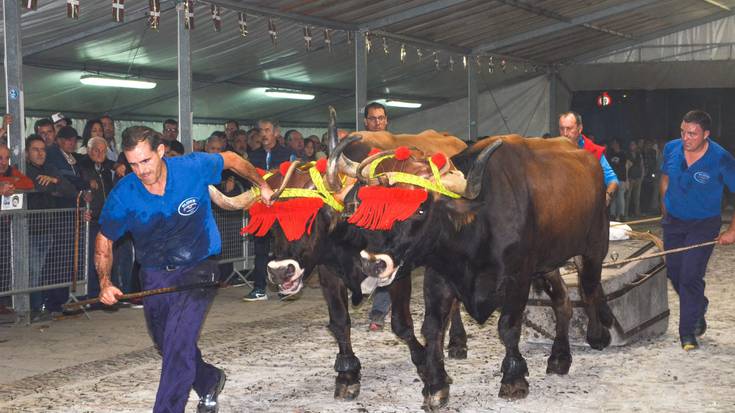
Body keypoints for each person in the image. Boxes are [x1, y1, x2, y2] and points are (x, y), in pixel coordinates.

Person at [96, 126, 274, 412]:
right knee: (167, 344)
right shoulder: (124, 194)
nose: (141, 170)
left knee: (178, 345)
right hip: (153, 273)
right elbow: (104, 239)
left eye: (146, 161)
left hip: (199, 268)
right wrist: (105, 282)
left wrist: (261, 184)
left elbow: (232, 159)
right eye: (133, 164)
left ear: (161, 152)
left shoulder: (192, 167)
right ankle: (208, 380)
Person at [659, 110, 735, 351]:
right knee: (674, 273)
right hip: (674, 222)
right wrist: (665, 208)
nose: (685, 138)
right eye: (683, 131)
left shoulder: (720, 158)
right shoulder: (671, 149)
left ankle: (687, 332)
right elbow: (664, 179)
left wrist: (732, 230)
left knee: (690, 275)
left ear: (706, 134)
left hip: (704, 224)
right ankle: (698, 305)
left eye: (692, 133)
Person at [243, 119, 295, 302]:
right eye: (261, 131)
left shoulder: (288, 154)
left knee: (283, 248)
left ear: (276, 132)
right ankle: (259, 288)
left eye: (267, 130)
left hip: (282, 209)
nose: (263, 134)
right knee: (260, 249)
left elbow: (293, 178)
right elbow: (248, 179)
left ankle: (285, 286)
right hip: (261, 210)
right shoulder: (253, 156)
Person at [363, 101, 393, 332]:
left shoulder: (395, 147)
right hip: (364, 213)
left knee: (386, 259)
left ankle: (379, 312)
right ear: (366, 122)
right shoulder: (357, 147)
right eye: (373, 118)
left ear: (386, 120)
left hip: (390, 213)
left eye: (381, 118)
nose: (377, 122)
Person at [78, 137, 115, 303]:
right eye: (95, 150)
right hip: (90, 220)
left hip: (106, 220)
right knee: (92, 259)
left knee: (108, 258)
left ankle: (104, 293)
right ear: (88, 150)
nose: (99, 154)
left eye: (103, 151)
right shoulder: (81, 167)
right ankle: (92, 296)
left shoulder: (107, 169)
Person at [558, 111, 619, 205]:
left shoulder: (593, 151)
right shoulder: (553, 150)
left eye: (569, 128)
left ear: (580, 128)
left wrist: (606, 198)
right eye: (562, 129)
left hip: (586, 209)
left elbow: (612, 180)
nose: (565, 133)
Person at [606, 139, 627, 221]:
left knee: (620, 197)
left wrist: (626, 179)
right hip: (612, 179)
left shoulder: (623, 154)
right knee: (613, 197)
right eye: (612, 144)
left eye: (615, 143)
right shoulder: (610, 154)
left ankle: (621, 214)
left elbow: (625, 167)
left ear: (618, 144)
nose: (613, 145)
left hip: (621, 178)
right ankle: (612, 214)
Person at [626, 140, 645, 217]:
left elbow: (642, 165)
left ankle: (637, 212)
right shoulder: (627, 155)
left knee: (637, 197)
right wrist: (626, 178)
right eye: (631, 144)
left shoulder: (639, 154)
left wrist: (642, 175)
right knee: (628, 197)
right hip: (630, 177)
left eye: (633, 144)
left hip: (638, 177)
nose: (632, 146)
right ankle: (625, 213)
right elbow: (626, 167)